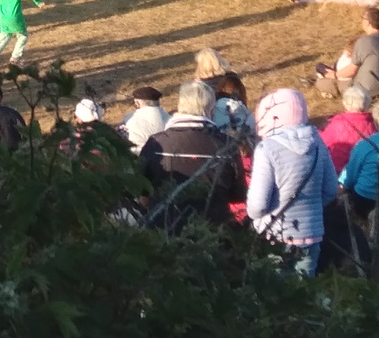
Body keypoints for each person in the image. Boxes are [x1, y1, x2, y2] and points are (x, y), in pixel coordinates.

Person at [247, 89, 337, 277]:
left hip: (276, 236)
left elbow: (257, 206)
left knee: (273, 298)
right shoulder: (318, 143)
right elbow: (331, 190)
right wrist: (310, 210)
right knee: (302, 299)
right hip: (311, 235)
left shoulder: (267, 148)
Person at [141, 80, 246, 227]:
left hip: (165, 231)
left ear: (179, 107)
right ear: (211, 111)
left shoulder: (156, 144)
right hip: (214, 231)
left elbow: (142, 191)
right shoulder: (226, 145)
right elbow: (238, 195)